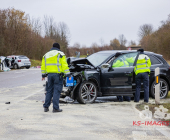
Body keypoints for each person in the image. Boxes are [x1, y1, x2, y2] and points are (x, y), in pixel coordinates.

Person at [41, 43, 70, 113]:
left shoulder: (46, 55)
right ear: (58, 48)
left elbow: (43, 66)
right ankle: (55, 108)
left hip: (49, 76)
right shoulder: (60, 54)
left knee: (49, 91)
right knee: (56, 91)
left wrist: (43, 75)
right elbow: (64, 65)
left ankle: (46, 107)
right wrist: (68, 75)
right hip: (57, 75)